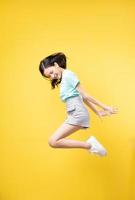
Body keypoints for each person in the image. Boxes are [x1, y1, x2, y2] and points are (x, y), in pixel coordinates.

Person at [39, 52, 118, 156]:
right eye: (49, 76)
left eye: (52, 72)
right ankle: (90, 145)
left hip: (77, 113)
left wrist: (105, 107)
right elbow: (82, 98)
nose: (52, 76)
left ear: (56, 65)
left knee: (53, 141)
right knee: (53, 141)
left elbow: (85, 95)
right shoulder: (64, 78)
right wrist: (97, 112)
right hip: (74, 112)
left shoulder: (68, 75)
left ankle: (90, 145)